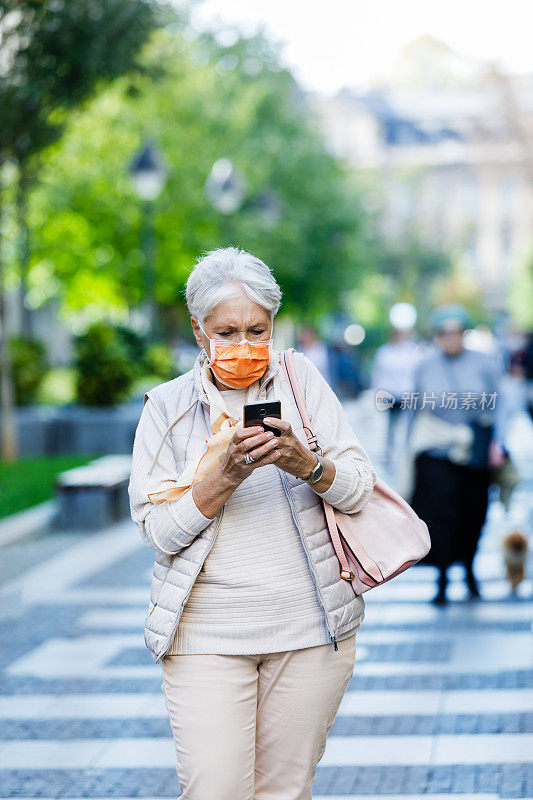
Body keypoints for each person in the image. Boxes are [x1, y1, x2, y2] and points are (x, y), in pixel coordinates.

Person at [128, 246, 377, 800]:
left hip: (309, 633)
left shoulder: (301, 383)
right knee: (214, 790)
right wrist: (223, 477)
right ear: (199, 330)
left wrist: (306, 464)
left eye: (257, 329)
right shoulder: (166, 409)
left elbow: (359, 488)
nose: (244, 345)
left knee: (285, 792)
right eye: (227, 332)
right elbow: (157, 532)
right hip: (205, 638)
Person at [407, 304, 505, 605]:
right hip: (438, 453)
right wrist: (406, 451)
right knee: (440, 516)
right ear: (437, 335)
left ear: (465, 333)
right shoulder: (425, 366)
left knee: (474, 513)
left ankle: (470, 570)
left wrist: (497, 443)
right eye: (444, 332)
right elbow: (415, 412)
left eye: (456, 332)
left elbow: (500, 405)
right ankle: (442, 577)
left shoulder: (485, 363)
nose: (451, 338)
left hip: (475, 451)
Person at [370, 327, 424, 462]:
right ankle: (390, 450)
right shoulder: (384, 352)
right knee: (391, 423)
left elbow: (416, 373)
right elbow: (378, 373)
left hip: (408, 393)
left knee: (408, 423)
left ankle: (406, 449)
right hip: (390, 394)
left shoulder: (411, 351)